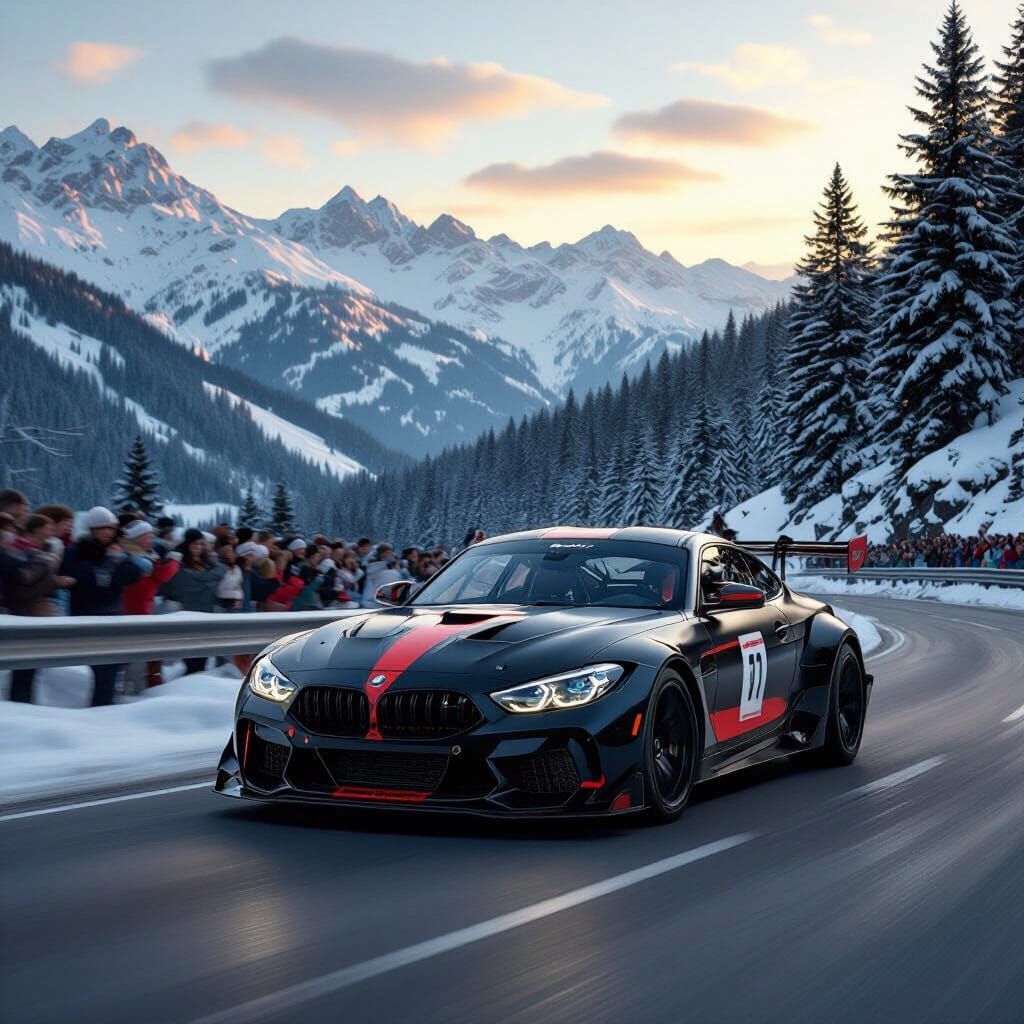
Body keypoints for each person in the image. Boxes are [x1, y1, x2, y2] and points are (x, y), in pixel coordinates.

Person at [60, 506, 144, 706]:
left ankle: (104, 707)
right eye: (102, 528)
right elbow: (83, 577)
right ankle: (100, 708)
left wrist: (116, 562)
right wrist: (108, 566)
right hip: (87, 615)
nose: (108, 532)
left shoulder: (117, 551)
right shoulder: (76, 551)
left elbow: (133, 574)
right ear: (92, 529)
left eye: (111, 528)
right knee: (100, 667)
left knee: (112, 667)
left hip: (113, 614)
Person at [121, 520, 180, 687]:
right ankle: (140, 685)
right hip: (133, 610)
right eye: (146, 536)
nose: (150, 539)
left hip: (143, 608)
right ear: (136, 538)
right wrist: (174, 562)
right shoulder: (134, 557)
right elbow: (160, 577)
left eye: (150, 536)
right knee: (141, 652)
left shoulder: (148, 555)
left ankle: (148, 682)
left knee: (149, 651)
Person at [158, 529, 226, 673]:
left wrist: (207, 578)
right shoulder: (179, 561)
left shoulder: (206, 562)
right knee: (191, 657)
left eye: (201, 544)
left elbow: (220, 570)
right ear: (187, 544)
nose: (198, 547)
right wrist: (210, 579)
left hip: (206, 613)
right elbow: (190, 583)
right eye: (195, 543)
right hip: (187, 613)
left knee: (203, 656)